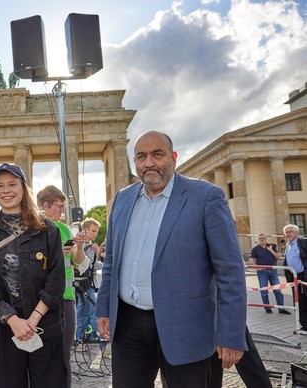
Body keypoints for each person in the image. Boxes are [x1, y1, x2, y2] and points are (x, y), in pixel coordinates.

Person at [96, 130, 247, 388]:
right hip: (128, 326)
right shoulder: (122, 200)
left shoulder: (206, 197)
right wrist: (104, 308)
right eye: (141, 156)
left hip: (186, 326)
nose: (149, 162)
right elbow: (111, 261)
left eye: (157, 154)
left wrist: (231, 333)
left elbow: (230, 271)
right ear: (135, 162)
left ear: (173, 158)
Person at [0, 163, 66, 388]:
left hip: (44, 325)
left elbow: (56, 280)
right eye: (0, 186)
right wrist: (13, 320)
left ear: (23, 188)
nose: (6, 190)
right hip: (3, 327)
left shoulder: (48, 229)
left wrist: (32, 321)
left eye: (12, 184)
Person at [36, 185, 87, 388]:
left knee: (64, 353)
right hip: (43, 298)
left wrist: (80, 247)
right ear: (46, 205)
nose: (63, 211)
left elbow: (78, 264)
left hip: (67, 297)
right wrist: (57, 255)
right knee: (42, 354)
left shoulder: (65, 228)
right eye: (59, 206)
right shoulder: (36, 227)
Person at [75, 217, 102, 342]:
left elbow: (95, 266)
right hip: (82, 284)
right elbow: (83, 264)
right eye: (93, 231)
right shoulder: (81, 245)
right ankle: (84, 337)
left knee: (87, 311)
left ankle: (87, 336)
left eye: (97, 231)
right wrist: (93, 252)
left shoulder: (91, 246)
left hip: (89, 283)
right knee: (88, 311)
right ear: (85, 230)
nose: (96, 233)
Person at [250, 233, 290, 314]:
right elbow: (251, 259)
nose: (262, 239)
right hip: (262, 272)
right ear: (258, 239)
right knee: (264, 290)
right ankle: (267, 308)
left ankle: (281, 308)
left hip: (273, 271)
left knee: (277, 289)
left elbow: (278, 257)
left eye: (263, 238)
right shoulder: (255, 249)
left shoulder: (272, 246)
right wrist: (256, 266)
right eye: (260, 238)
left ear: (266, 239)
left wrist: (271, 250)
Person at [282, 224, 307, 331]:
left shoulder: (303, 242)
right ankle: (305, 325)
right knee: (299, 302)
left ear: (296, 232)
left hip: (304, 276)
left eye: (290, 231)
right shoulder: (288, 245)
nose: (288, 234)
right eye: (286, 232)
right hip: (294, 278)